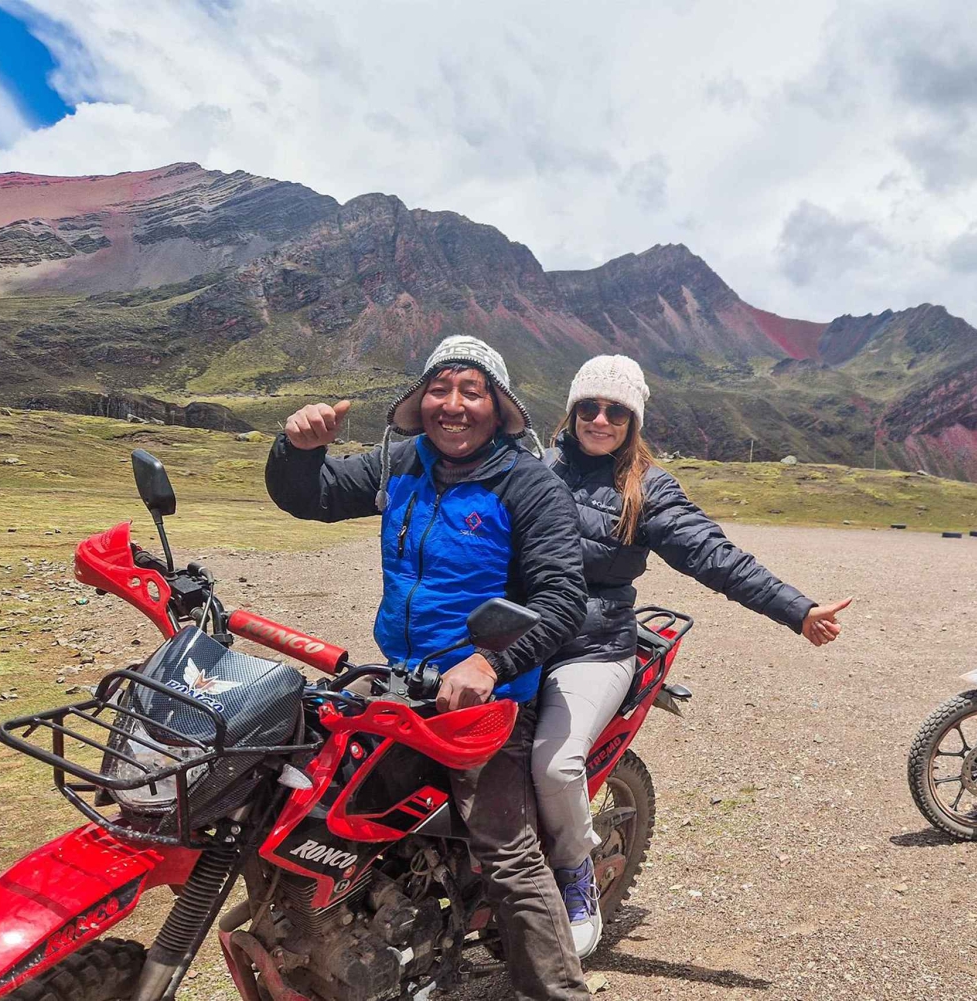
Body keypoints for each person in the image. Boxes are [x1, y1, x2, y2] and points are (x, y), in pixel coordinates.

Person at [265, 334, 591, 1001]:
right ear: (420, 401)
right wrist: (297, 449)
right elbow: (315, 496)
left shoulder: (527, 483)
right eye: (440, 389)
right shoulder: (403, 464)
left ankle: (557, 991)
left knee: (506, 848)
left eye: (472, 391)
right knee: (315, 794)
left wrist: (488, 661)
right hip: (402, 681)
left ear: (499, 408)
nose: (454, 404)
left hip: (489, 698)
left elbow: (562, 598)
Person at [533, 355, 852, 956]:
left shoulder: (646, 488)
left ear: (633, 420)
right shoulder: (534, 468)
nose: (600, 419)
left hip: (591, 651)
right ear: (572, 411)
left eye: (616, 411)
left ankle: (576, 879)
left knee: (554, 766)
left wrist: (796, 609)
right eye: (590, 407)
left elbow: (713, 554)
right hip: (520, 643)